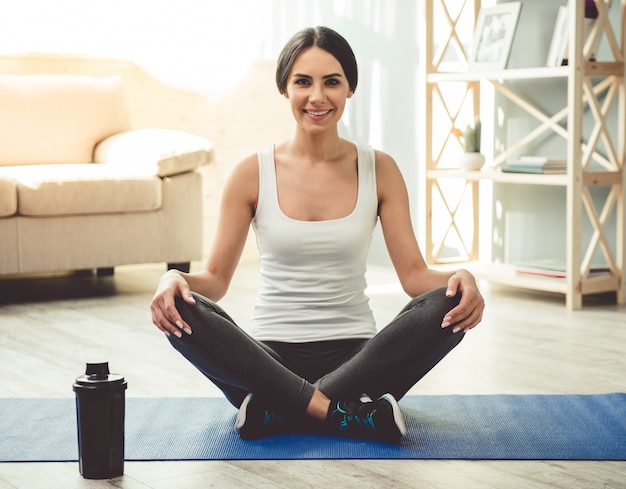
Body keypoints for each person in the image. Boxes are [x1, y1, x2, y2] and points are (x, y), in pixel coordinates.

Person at [150, 26, 484, 444]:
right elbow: (214, 281)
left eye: (332, 82)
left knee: (450, 303)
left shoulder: (380, 169)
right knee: (184, 309)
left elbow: (414, 276)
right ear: (285, 89)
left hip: (362, 360)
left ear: (349, 90)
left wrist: (464, 279)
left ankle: (279, 410)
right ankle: (343, 413)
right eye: (303, 82)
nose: (317, 97)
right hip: (268, 360)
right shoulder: (250, 173)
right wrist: (173, 280)